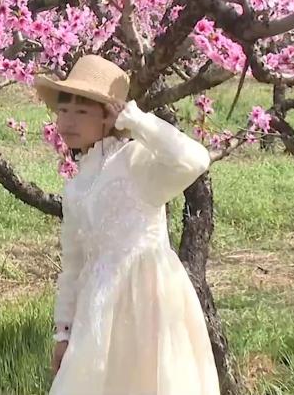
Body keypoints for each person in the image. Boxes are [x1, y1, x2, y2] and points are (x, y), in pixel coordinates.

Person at [35, 55, 219, 395]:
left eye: (81, 111)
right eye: (63, 110)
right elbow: (73, 263)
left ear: (108, 114)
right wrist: (63, 332)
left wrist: (136, 120)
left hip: (149, 299)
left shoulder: (137, 161)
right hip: (98, 302)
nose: (67, 121)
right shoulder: (77, 183)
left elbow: (195, 160)